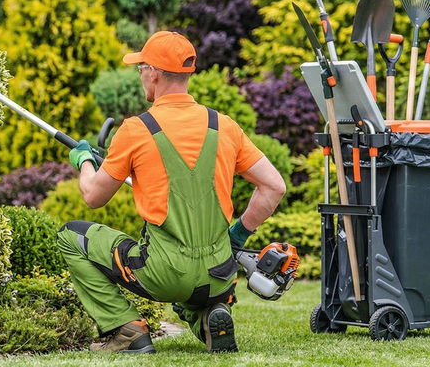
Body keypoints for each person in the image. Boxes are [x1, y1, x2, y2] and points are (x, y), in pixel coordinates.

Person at [58, 31, 287, 354]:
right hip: (220, 274)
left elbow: (93, 196)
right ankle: (210, 315)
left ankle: (127, 331)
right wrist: (237, 237)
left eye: (141, 69)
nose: (141, 76)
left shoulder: (136, 130)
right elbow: (274, 187)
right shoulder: (224, 126)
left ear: (153, 73)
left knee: (71, 236)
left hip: (163, 274)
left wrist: (83, 160)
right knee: (196, 289)